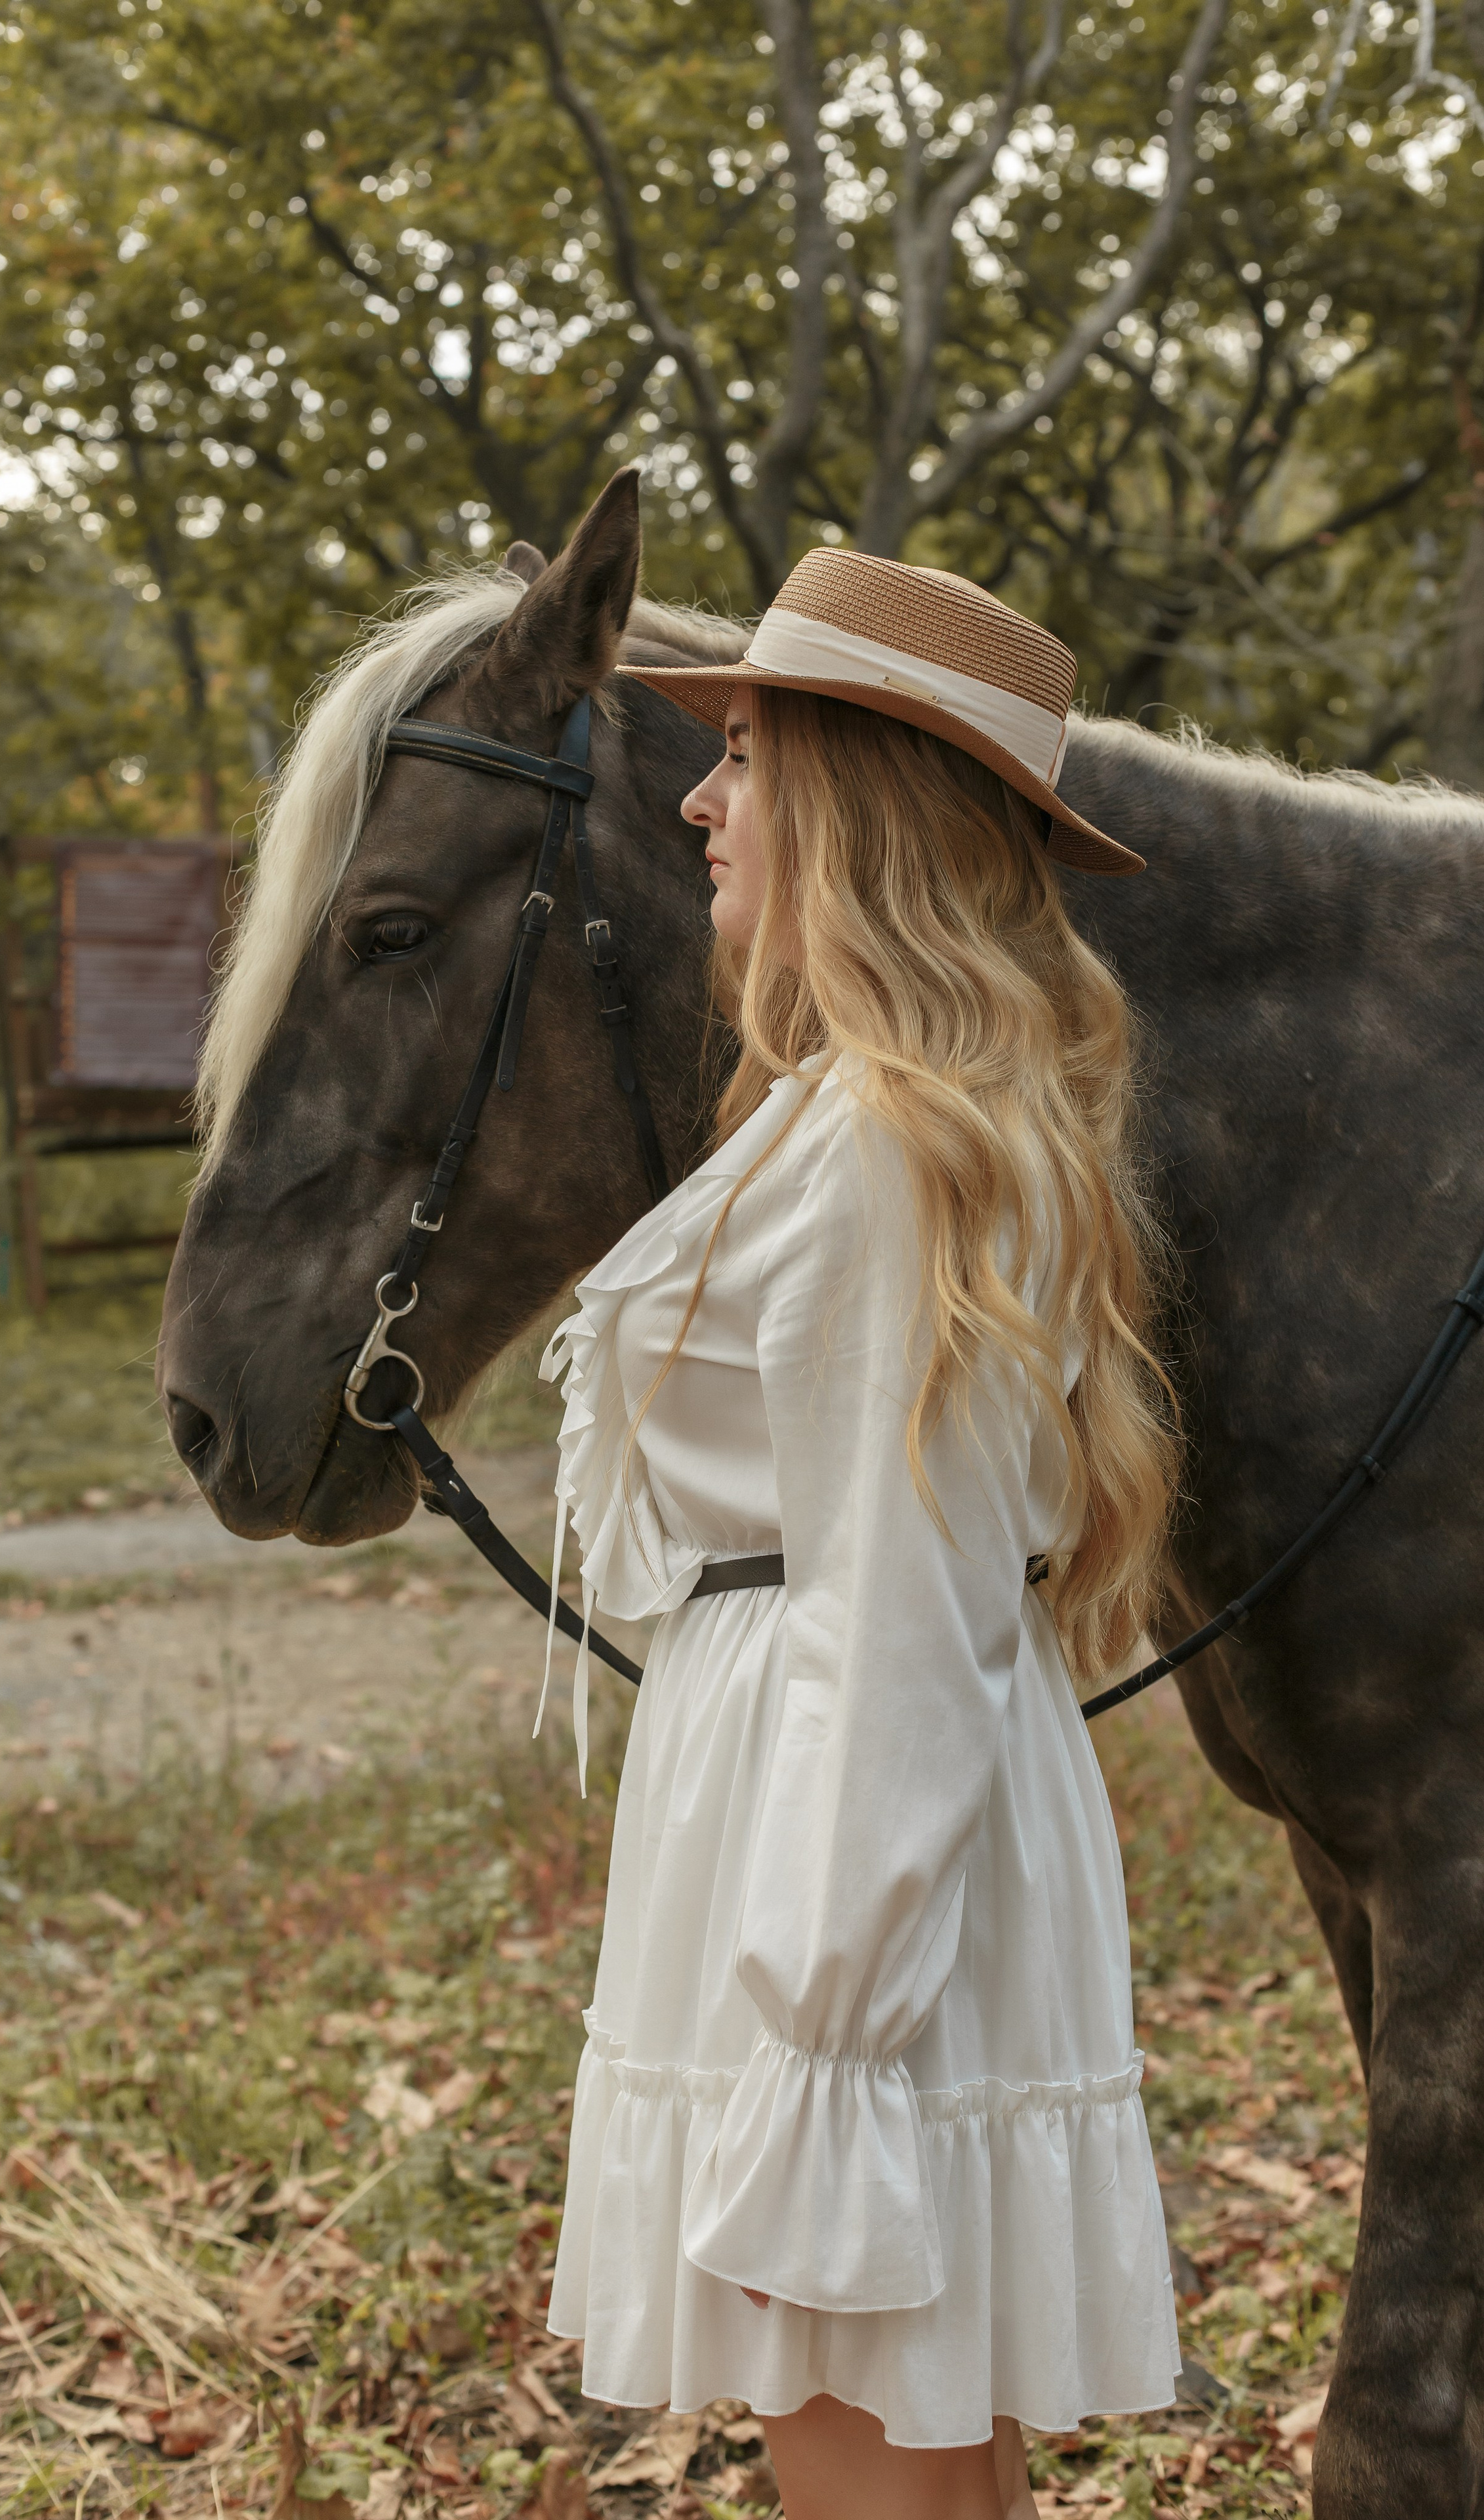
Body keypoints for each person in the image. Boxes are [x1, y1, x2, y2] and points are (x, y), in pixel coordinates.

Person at [533, 547, 1183, 2520]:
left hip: (848, 1850)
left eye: (743, 754)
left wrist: (824, 2035)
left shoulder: (898, 1146)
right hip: (847, 1811)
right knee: (906, 2436)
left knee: (867, 2441)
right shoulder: (878, 1114)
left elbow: (895, 1607)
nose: (697, 802)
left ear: (866, 803)